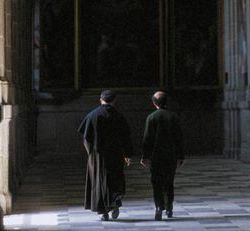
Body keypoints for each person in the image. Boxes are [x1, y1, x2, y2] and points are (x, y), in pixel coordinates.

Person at [78, 90, 133, 221]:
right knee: (114, 179)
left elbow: (86, 138)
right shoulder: (119, 116)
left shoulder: (93, 115)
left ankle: (104, 213)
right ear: (114, 101)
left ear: (100, 99)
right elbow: (126, 137)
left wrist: (90, 153)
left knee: (99, 182)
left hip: (97, 156)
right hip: (115, 154)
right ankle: (114, 202)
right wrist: (127, 154)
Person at [140, 91, 184, 221]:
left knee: (156, 182)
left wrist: (145, 155)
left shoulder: (151, 117)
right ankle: (169, 207)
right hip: (171, 155)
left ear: (154, 103)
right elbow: (179, 137)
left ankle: (159, 207)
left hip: (156, 156)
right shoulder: (173, 116)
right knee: (169, 182)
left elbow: (147, 138)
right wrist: (181, 155)